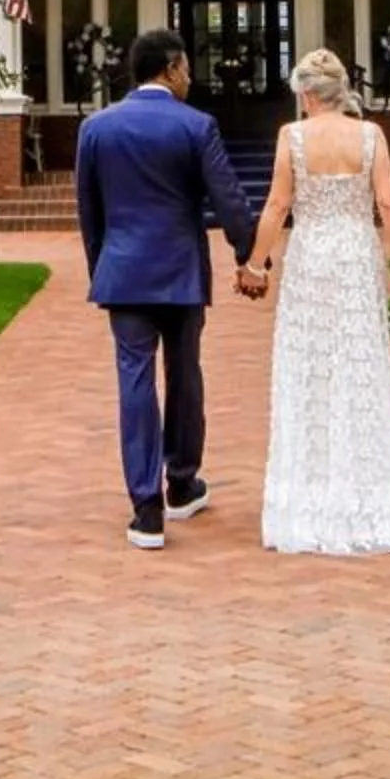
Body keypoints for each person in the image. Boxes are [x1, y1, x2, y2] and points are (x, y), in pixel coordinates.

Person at [73, 27, 260, 550]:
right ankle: (181, 483)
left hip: (124, 272)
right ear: (171, 69)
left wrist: (102, 268)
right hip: (181, 272)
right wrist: (248, 256)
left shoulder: (96, 128)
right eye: (187, 70)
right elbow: (228, 199)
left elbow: (89, 211)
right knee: (185, 375)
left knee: (134, 380)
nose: (190, 79)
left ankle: (146, 508)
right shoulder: (196, 125)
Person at [239, 48, 390, 556]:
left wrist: (256, 263)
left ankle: (311, 493)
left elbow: (278, 204)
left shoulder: (292, 136)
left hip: (310, 259)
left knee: (310, 365)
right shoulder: (370, 136)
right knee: (358, 361)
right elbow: (388, 202)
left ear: (306, 94)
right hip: (354, 257)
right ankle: (366, 491)